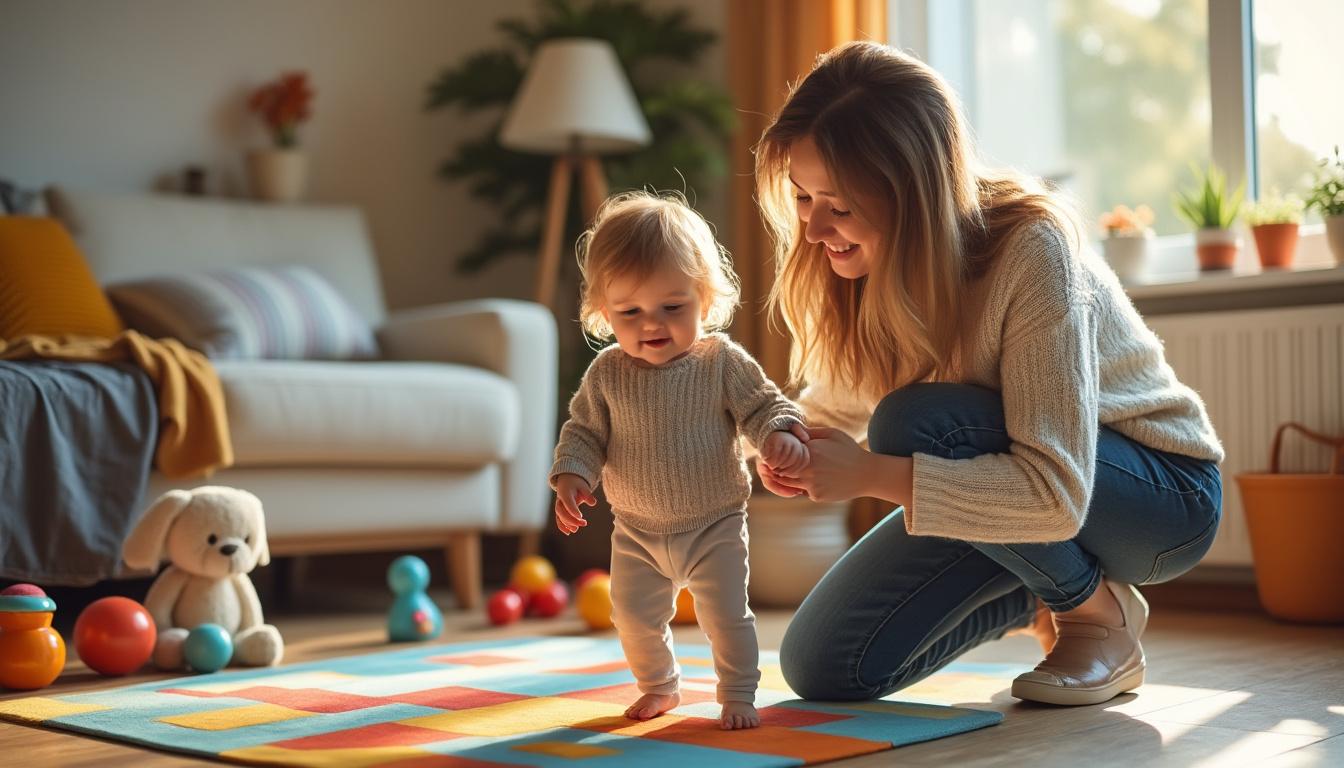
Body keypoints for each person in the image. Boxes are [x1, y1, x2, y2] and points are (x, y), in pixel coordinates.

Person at [753, 41, 1224, 707]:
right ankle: (1037, 589)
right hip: (1007, 499)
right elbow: (834, 404)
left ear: (912, 191)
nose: (813, 228)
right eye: (802, 197)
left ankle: (1095, 616)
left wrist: (868, 475)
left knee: (914, 423)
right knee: (824, 666)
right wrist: (781, 440)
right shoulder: (865, 266)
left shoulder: (1031, 247)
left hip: (1155, 502)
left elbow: (1057, 490)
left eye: (839, 203)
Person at [550, 191, 809, 729]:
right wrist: (572, 474)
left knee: (725, 618)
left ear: (705, 299)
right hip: (637, 530)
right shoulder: (606, 375)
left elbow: (764, 405)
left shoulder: (721, 362)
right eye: (630, 312)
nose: (652, 324)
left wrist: (779, 433)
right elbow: (584, 432)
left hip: (714, 521)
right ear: (603, 313)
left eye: (673, 307)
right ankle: (660, 687)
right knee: (632, 617)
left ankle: (737, 691)